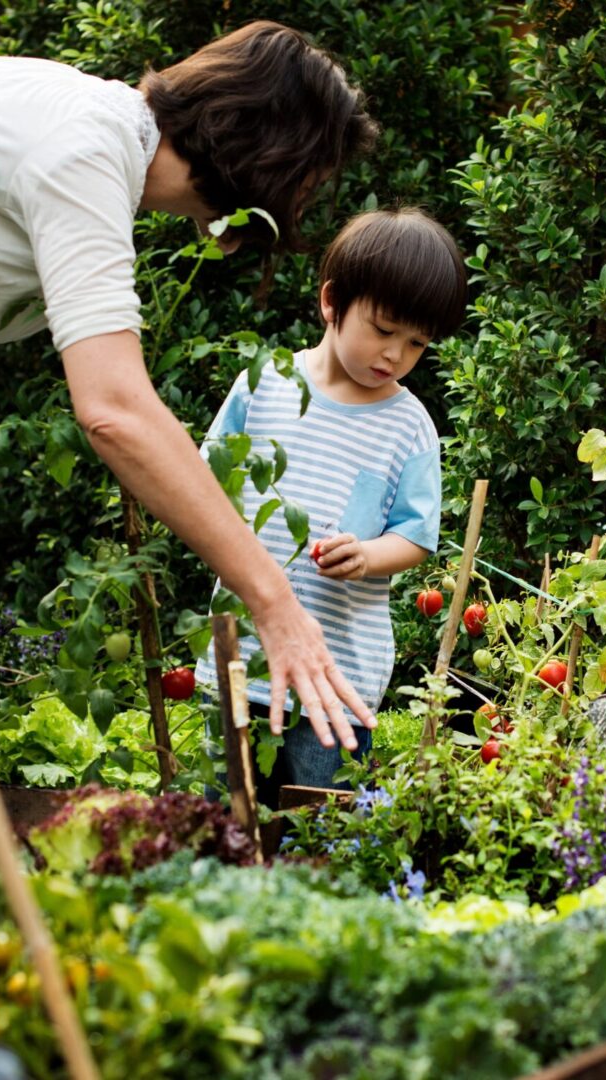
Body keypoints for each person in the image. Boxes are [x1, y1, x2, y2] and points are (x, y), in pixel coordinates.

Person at [0, 22, 380, 750]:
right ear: (267, 156)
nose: (288, 215)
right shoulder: (88, 151)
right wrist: (273, 598)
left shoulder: (87, 121)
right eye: (304, 186)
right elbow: (115, 410)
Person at [196, 208, 464, 798]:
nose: (395, 355)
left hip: (336, 679)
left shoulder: (409, 426)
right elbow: (203, 482)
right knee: (226, 820)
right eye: (384, 329)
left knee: (322, 829)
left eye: (416, 343)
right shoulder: (265, 383)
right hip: (242, 656)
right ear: (332, 301)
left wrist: (367, 555)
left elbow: (415, 536)